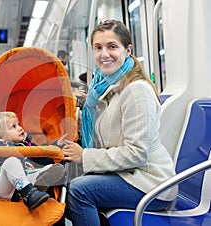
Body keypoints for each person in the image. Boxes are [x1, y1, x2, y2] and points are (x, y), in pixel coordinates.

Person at [62, 20, 178, 225]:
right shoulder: (106, 88)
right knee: (65, 191)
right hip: (129, 175)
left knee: (78, 191)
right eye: (98, 48)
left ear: (128, 49)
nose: (104, 54)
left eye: (112, 46)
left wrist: (85, 155)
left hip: (151, 182)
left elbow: (137, 152)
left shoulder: (136, 91)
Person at [0, 111, 66, 211]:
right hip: (4, 188)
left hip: (27, 178)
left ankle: (37, 185)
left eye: (19, 124)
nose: (20, 128)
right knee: (11, 162)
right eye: (14, 127)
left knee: (47, 168)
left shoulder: (26, 147)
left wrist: (56, 147)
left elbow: (44, 159)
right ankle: (28, 192)